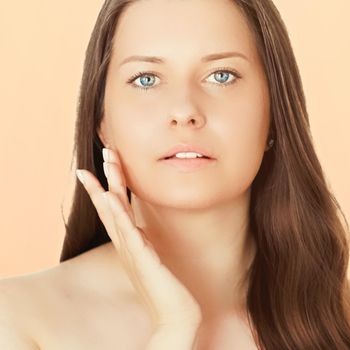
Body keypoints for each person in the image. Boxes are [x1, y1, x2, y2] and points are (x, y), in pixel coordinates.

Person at [1, 0, 350, 349]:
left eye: (222, 75)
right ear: (102, 123)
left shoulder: (339, 317)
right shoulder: (18, 319)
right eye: (146, 79)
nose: (184, 111)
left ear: (274, 113)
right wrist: (174, 328)